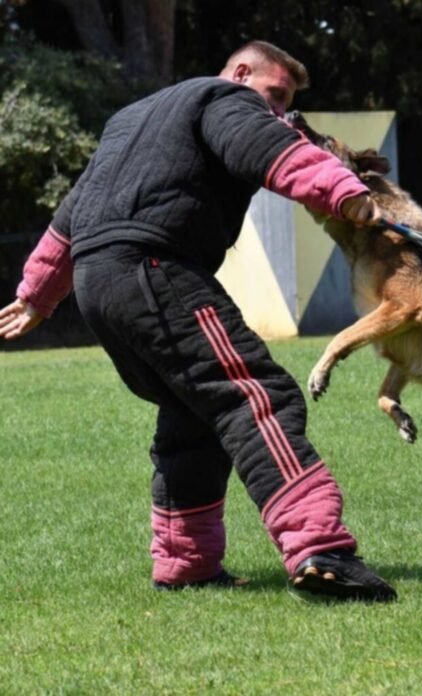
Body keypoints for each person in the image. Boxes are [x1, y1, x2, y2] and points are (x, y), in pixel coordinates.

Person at [0, 41, 396, 602]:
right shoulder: (224, 99)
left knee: (193, 415)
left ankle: (185, 565)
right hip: (155, 270)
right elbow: (264, 143)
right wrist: (342, 191)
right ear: (240, 72)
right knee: (255, 395)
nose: (280, 113)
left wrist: (37, 294)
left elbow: (73, 211)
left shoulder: (130, 119)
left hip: (98, 283)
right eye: (275, 95)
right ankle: (319, 550)